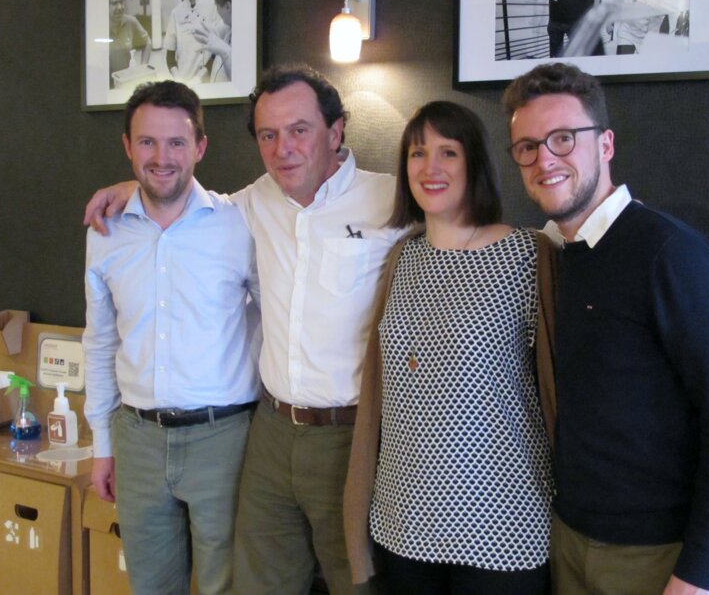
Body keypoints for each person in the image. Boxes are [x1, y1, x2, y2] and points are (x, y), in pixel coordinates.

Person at [83, 64, 405, 595]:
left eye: (298, 130)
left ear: (335, 131)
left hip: (329, 433)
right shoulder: (248, 205)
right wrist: (138, 185)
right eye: (268, 135)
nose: (283, 148)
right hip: (253, 432)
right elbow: (176, 206)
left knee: (355, 581)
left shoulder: (389, 200)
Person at [502, 62, 709, 595]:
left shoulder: (667, 252)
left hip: (657, 555)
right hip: (568, 540)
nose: (544, 158)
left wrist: (697, 576)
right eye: (527, 146)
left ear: (605, 144)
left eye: (562, 138)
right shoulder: (551, 256)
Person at [344, 101, 556, 595]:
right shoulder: (402, 258)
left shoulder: (528, 255)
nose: (430, 168)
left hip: (502, 525)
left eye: (448, 153)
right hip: (404, 522)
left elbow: (559, 381)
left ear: (474, 162)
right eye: (418, 153)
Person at [82, 80, 260, 595]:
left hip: (224, 439)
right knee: (150, 587)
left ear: (200, 147)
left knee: (227, 586)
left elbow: (276, 316)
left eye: (176, 142)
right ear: (127, 146)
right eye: (148, 142)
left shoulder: (239, 224)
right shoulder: (105, 233)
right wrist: (102, 446)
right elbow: (100, 342)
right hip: (136, 439)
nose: (162, 158)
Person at [163, 0, 226, 84]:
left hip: (208, 80)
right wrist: (179, 81)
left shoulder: (213, 4)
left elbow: (219, 49)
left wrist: (199, 78)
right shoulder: (176, 13)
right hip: (185, 81)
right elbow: (170, 58)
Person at [108, 0, 150, 88]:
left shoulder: (131, 22)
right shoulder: (98, 27)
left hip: (125, 81)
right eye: (115, 3)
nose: (120, 7)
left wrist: (143, 68)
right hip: (105, 83)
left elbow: (147, 42)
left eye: (122, 2)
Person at [194, 0, 232, 82]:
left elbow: (242, 78)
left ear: (227, 7)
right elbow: (214, 32)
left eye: (217, 6)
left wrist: (224, 51)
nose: (216, 9)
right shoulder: (228, 29)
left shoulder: (247, 39)